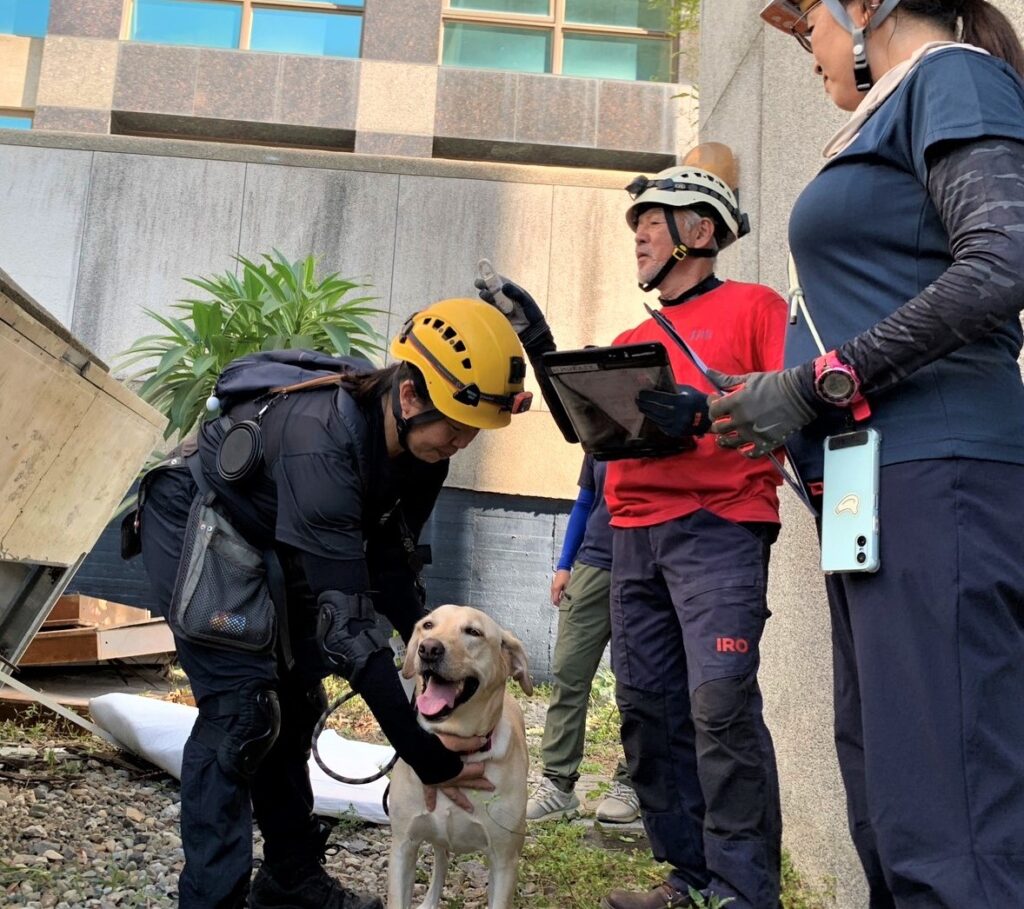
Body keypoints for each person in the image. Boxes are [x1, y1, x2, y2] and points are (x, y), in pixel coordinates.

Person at [708, 3, 1024, 906]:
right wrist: (781, 400)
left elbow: (1002, 260)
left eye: (808, 17)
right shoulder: (896, 107)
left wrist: (816, 384)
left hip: (942, 477)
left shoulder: (951, 75)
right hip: (875, 490)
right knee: (892, 801)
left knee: (950, 820)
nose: (804, 41)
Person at [135, 298, 532, 909]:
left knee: (295, 701)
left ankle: (291, 880)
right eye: (454, 427)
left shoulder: (425, 452)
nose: (461, 442)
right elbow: (347, 629)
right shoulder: (321, 437)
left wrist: (433, 655)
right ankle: (210, 900)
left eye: (472, 431)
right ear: (408, 397)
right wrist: (424, 752)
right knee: (243, 714)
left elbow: (393, 573)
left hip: (281, 538)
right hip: (203, 524)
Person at [478, 145, 789, 909]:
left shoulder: (757, 307)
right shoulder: (629, 340)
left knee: (718, 706)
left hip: (719, 529)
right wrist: (538, 341)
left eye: (652, 222)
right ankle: (688, 875)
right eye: (638, 225)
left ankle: (746, 892)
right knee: (649, 710)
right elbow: (589, 432)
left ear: (700, 229)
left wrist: (709, 412)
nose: (640, 237)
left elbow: (789, 403)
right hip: (631, 536)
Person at [526, 452, 639, 824]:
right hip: (594, 564)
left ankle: (634, 782)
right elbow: (586, 500)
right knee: (568, 675)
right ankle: (558, 785)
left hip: (647, 566)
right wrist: (564, 564)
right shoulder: (600, 427)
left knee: (639, 685)